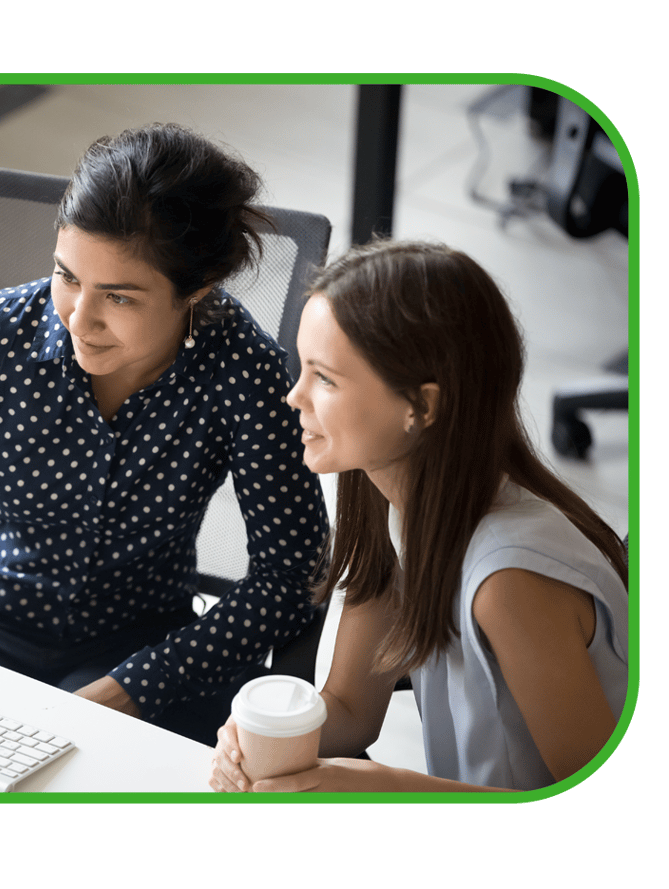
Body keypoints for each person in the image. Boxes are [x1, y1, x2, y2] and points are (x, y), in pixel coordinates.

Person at [0, 123, 329, 746]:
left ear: (198, 288)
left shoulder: (242, 370)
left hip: (139, 641)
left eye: (119, 296)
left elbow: (291, 572)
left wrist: (139, 684)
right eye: (67, 277)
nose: (79, 319)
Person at [210, 239, 629, 791]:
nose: (294, 396)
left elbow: (602, 812)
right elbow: (352, 707)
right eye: (302, 369)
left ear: (422, 407)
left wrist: (389, 789)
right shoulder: (391, 504)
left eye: (326, 379)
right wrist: (255, 738)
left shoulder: (511, 582)